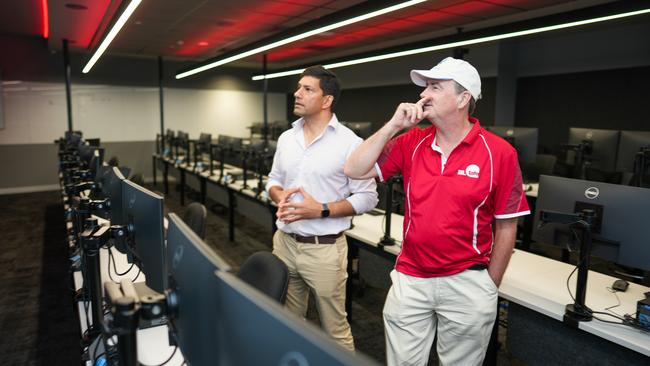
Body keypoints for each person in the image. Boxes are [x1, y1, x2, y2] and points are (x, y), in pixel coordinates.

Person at [344, 57, 530, 365]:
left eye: (434, 87)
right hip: (411, 277)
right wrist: (393, 126)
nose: (423, 95)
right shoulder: (411, 142)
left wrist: (487, 286)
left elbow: (506, 226)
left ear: (462, 98)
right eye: (425, 87)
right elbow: (354, 169)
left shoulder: (499, 153)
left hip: (467, 281)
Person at [265, 65, 378, 351]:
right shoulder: (286, 138)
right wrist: (281, 198)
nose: (297, 93)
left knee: (335, 332)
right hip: (285, 243)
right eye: (298, 87)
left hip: (324, 249)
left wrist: (321, 210)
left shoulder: (351, 143)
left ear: (327, 100)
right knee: (288, 322)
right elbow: (274, 181)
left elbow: (367, 198)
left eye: (307, 89)